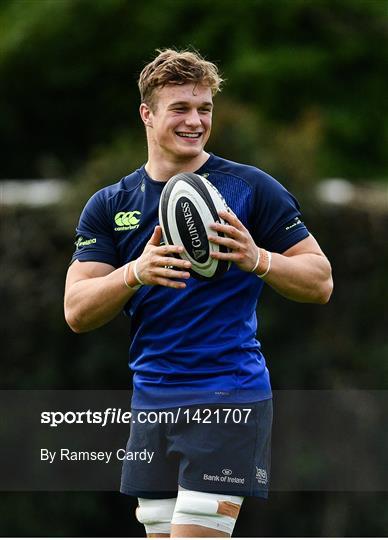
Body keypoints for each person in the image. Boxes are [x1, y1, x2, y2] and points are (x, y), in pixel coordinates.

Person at [64, 48, 333, 538]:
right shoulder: (110, 204)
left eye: (204, 108)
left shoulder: (250, 189)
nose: (195, 121)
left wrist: (258, 259)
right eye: (180, 109)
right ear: (147, 114)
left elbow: (320, 280)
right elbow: (77, 311)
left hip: (228, 396)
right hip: (151, 402)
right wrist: (135, 273)